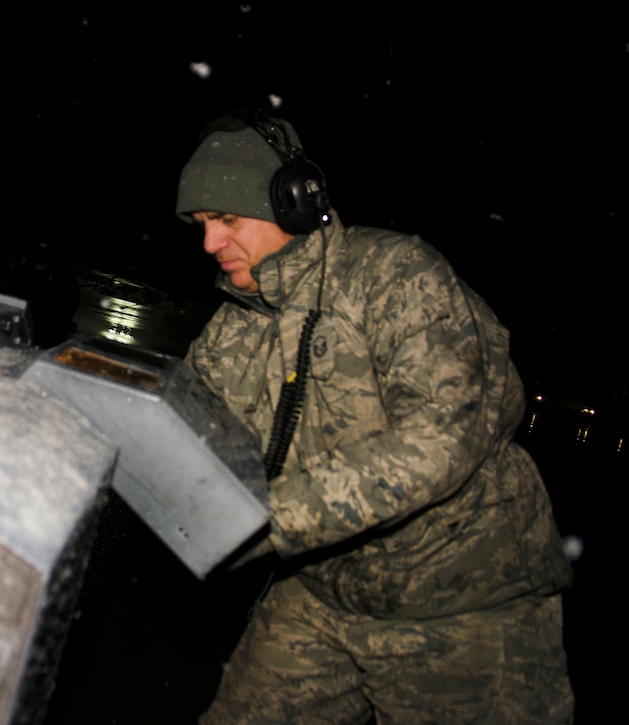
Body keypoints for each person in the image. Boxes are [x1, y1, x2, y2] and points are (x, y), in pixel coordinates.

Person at [176, 111, 575, 723]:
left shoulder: (396, 277)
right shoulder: (237, 322)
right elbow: (187, 434)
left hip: (461, 609)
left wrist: (257, 521)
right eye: (202, 224)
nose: (210, 243)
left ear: (294, 205)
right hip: (322, 596)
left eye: (228, 219)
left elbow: (441, 437)